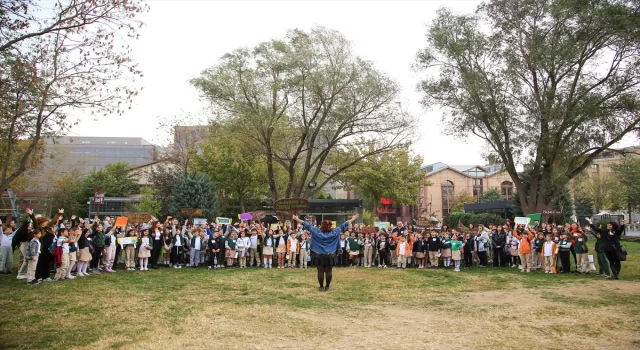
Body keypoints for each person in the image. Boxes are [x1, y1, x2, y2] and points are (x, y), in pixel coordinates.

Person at [292, 213, 359, 292]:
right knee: (329, 271)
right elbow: (344, 224)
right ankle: (327, 287)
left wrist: (297, 219)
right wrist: (353, 218)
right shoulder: (335, 231)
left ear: (322, 225)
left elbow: (306, 225)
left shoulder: (316, 231)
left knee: (320, 271)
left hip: (318, 255)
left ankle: (321, 287)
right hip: (331, 255)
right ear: (330, 225)